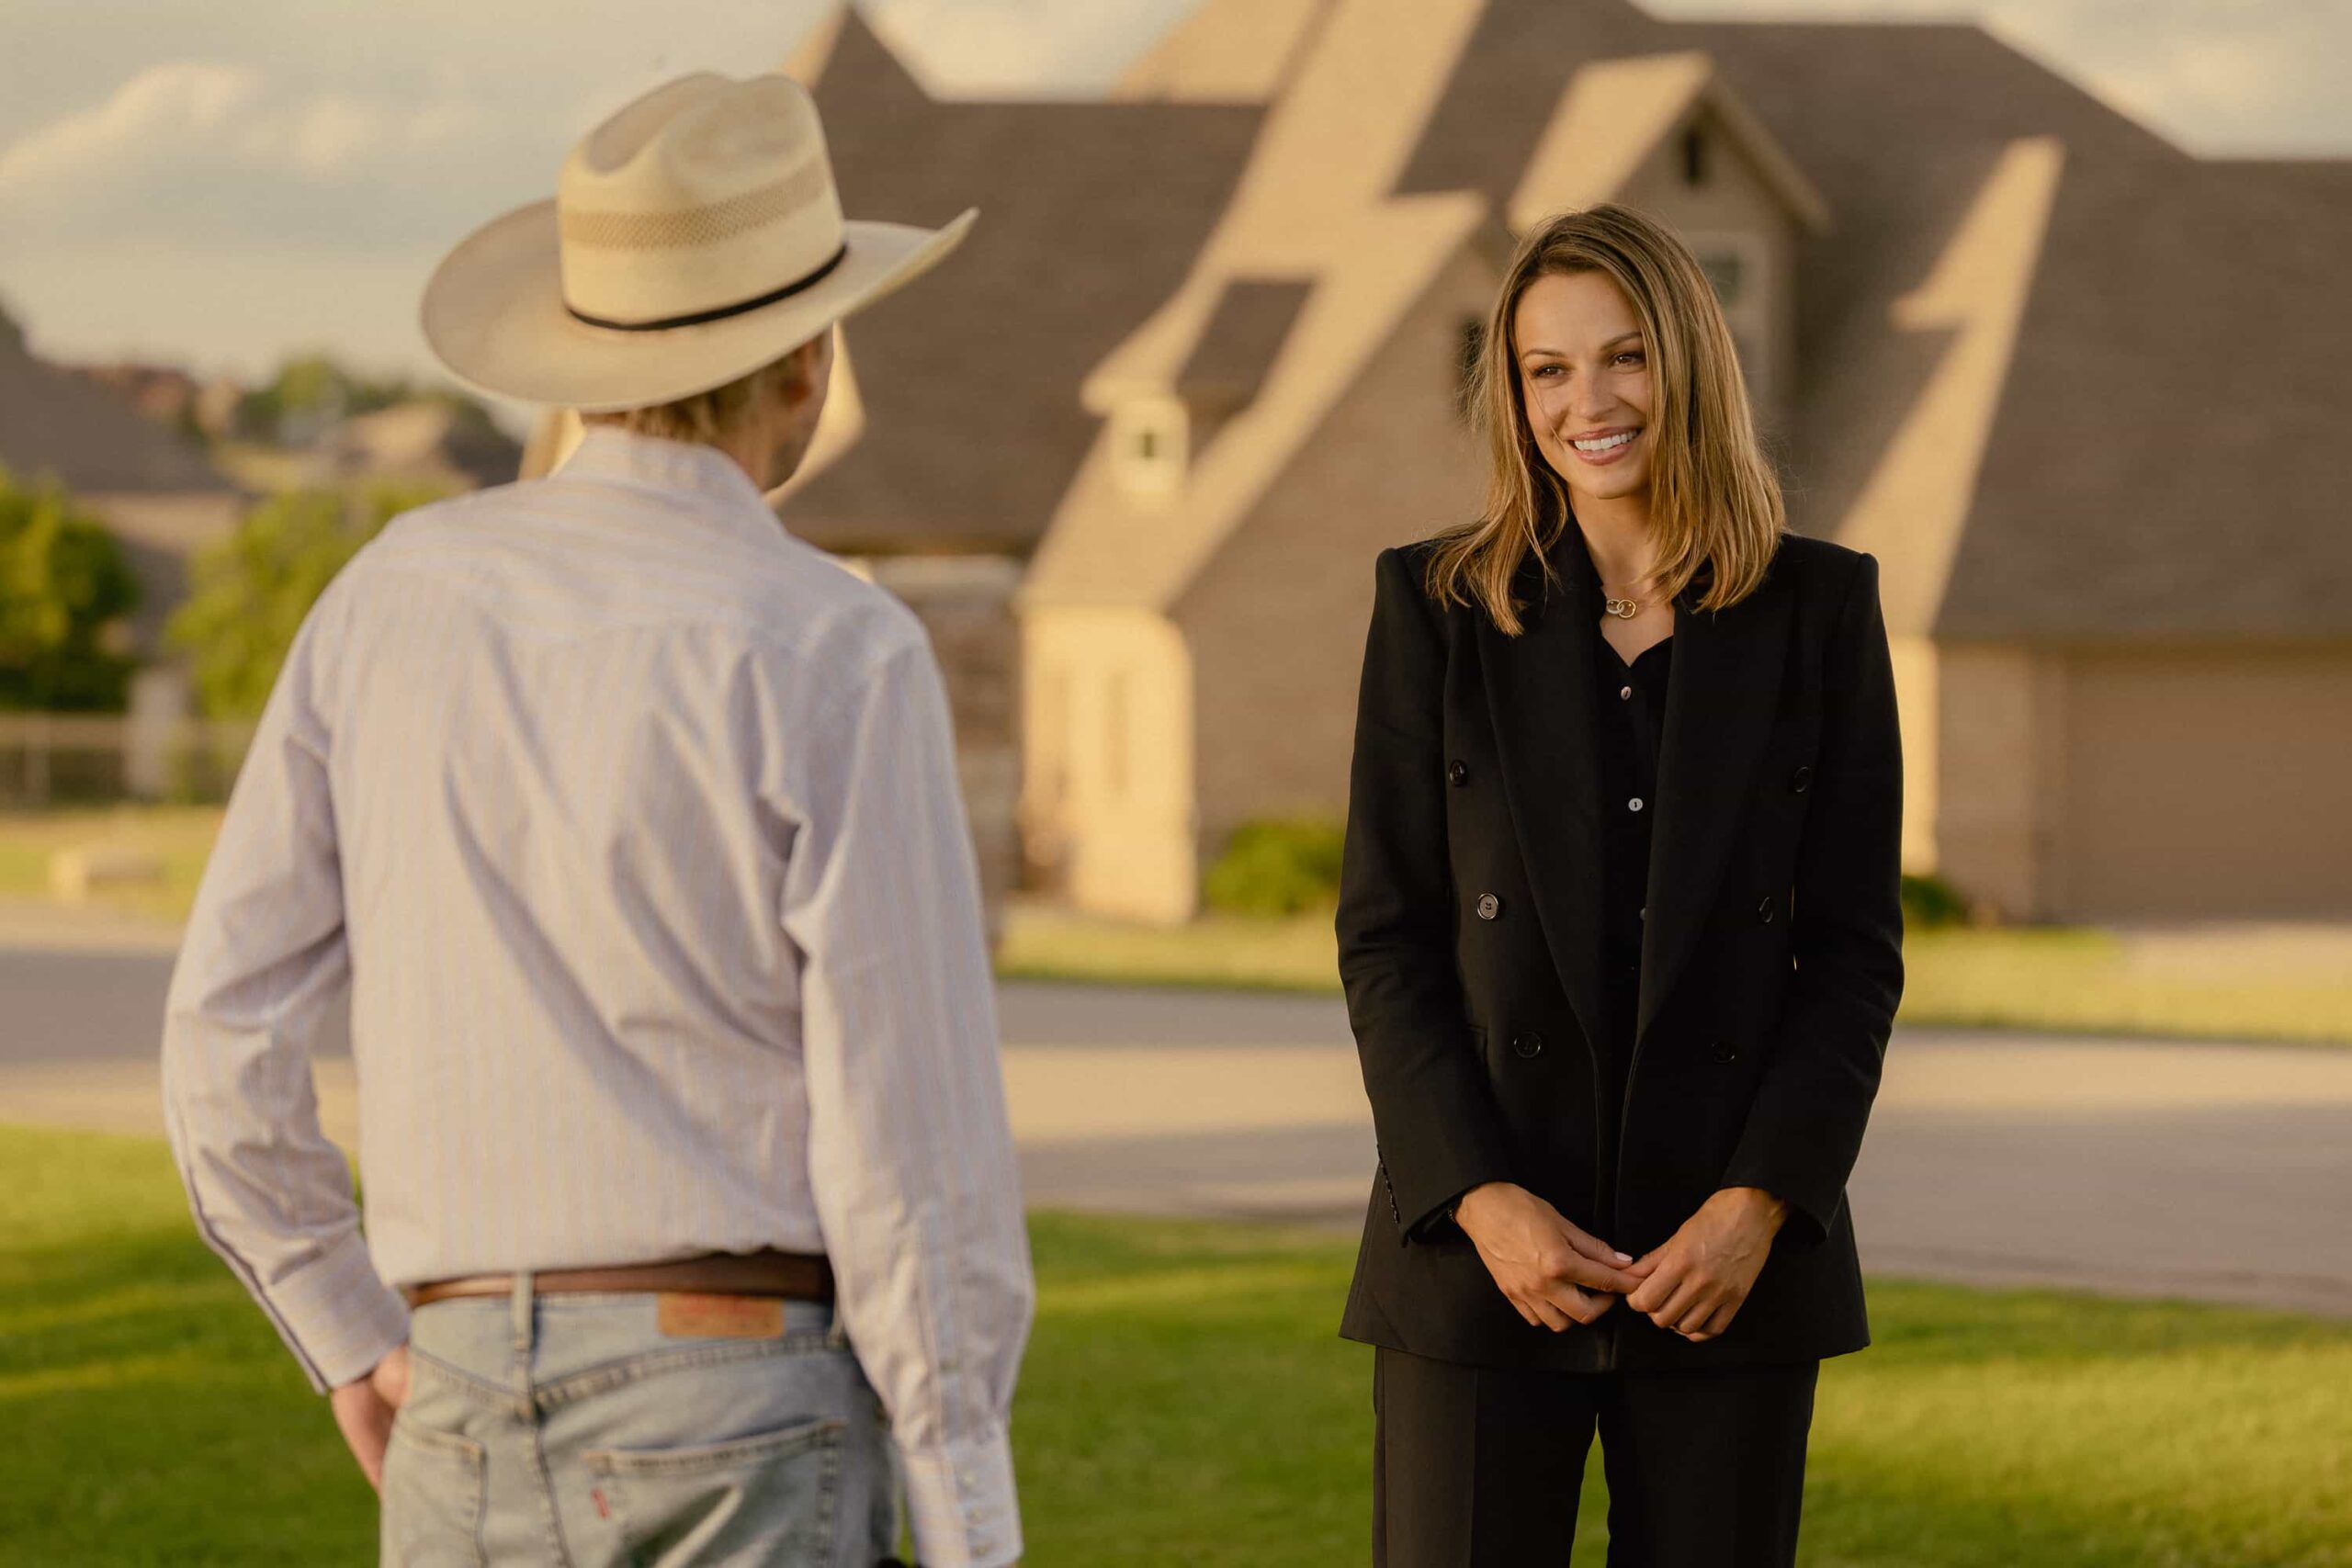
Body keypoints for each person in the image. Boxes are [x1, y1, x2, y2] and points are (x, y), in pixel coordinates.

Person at [160, 71, 1032, 1568]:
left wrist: (348, 1324)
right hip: (742, 1389)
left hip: (461, 1401)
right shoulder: (833, 644)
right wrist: (965, 1512)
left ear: (575, 360)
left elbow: (220, 1043)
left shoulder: (389, 598)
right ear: (807, 362)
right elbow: (912, 1144)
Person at [1335, 202, 1905, 1565]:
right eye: (1546, 368)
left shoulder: (1818, 611)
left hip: (1724, 1266)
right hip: (1482, 1263)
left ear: (1691, 364)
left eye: (1624, 355)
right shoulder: (1436, 607)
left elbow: (1850, 952)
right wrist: (1481, 1201)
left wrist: (1759, 1204)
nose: (1587, 401)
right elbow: (1388, 937)